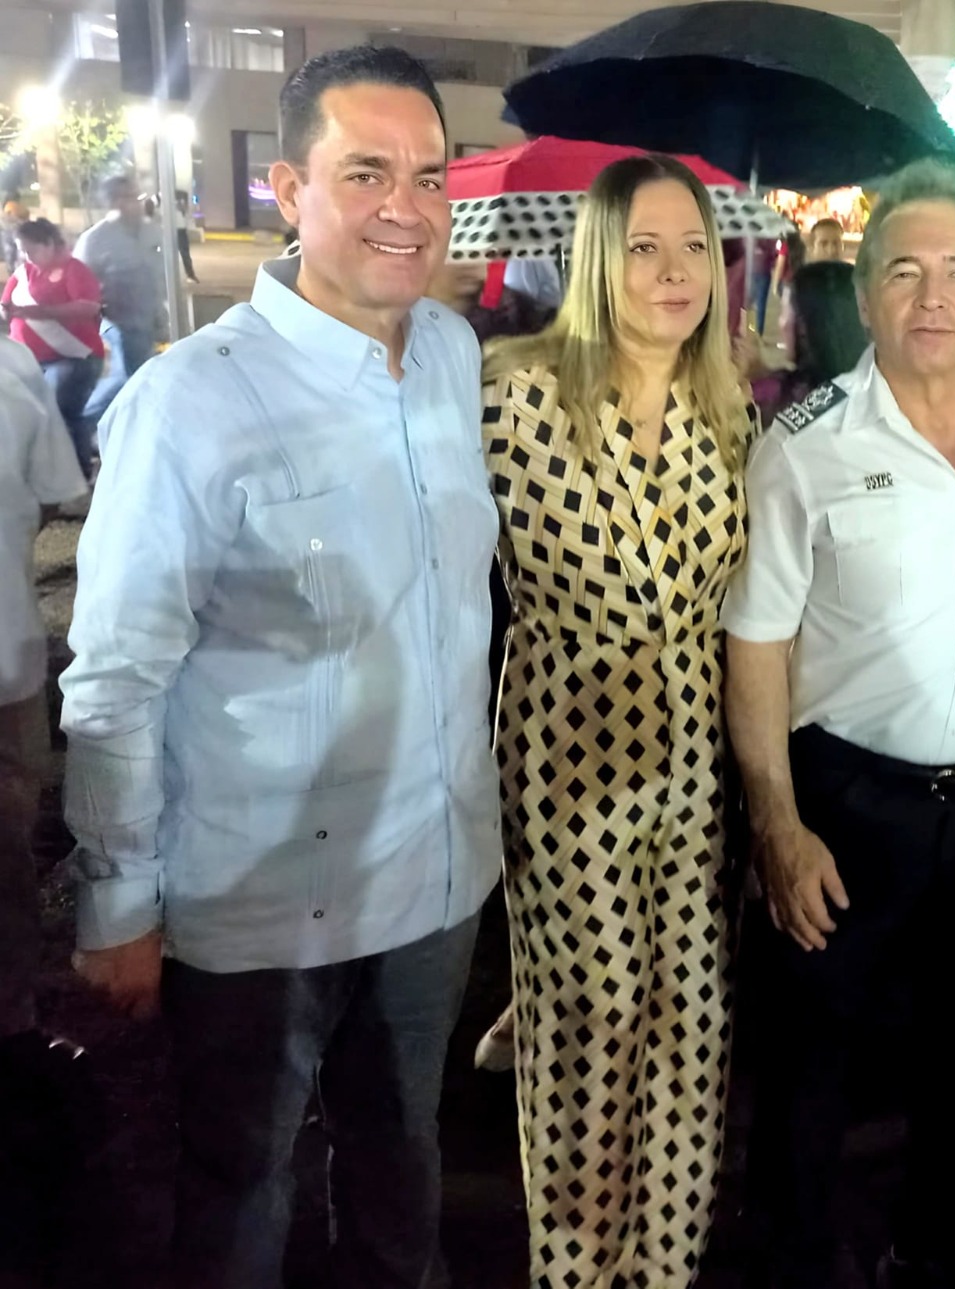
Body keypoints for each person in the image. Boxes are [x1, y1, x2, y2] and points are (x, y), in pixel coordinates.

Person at [60, 46, 502, 1288]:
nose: (406, 207)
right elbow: (117, 676)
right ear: (290, 190)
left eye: (429, 175)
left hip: (432, 877)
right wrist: (117, 900)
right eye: (366, 173)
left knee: (400, 1160)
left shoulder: (452, 354)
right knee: (241, 1185)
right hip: (261, 901)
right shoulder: (189, 405)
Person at [724, 158, 955, 1289]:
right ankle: (791, 1261)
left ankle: (930, 1251)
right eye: (906, 271)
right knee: (807, 1057)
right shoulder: (805, 445)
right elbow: (756, 640)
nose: (934, 296)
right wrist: (777, 823)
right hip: (846, 798)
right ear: (867, 290)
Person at [479, 152, 755, 1289]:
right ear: (599, 258)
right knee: (594, 1016)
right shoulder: (513, 395)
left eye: (693, 247)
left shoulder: (728, 411)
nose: (674, 271)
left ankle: (662, 1266)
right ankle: (575, 1265)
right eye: (644, 247)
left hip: (691, 760)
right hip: (567, 756)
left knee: (692, 1016)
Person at [0, 337, 88, 1285]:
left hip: (13, 662)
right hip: (11, 658)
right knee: (8, 861)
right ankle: (14, 1022)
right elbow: (60, 491)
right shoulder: (13, 373)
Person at [2, 217, 107, 476]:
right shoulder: (23, 273)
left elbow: (88, 307)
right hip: (30, 360)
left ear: (49, 244)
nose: (26, 256)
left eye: (32, 250)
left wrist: (39, 312)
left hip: (73, 356)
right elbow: (6, 304)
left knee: (62, 414)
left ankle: (78, 472)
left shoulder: (74, 270)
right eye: (22, 250)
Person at [75, 175, 163, 435]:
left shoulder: (152, 231)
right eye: (127, 197)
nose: (135, 203)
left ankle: (113, 428)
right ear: (112, 202)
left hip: (148, 317)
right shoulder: (95, 240)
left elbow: (161, 275)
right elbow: (81, 285)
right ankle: (84, 423)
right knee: (130, 377)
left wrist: (162, 313)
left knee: (136, 377)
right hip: (118, 321)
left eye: (136, 196)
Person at [751, 259, 869, 426]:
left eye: (785, 311)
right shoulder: (880, 390)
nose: (782, 323)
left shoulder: (775, 399)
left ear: (806, 326)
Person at [173, 189, 200, 283]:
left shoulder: (181, 209)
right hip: (177, 230)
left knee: (185, 253)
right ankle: (189, 274)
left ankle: (190, 274)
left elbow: (188, 218)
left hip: (181, 230)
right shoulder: (176, 207)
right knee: (184, 253)